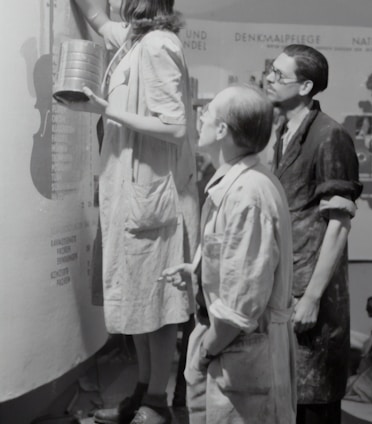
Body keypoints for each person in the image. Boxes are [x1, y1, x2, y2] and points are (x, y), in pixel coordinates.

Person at [67, 1, 200, 423]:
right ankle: (143, 391)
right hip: (132, 193)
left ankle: (157, 401)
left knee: (157, 305)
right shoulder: (136, 39)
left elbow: (174, 125)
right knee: (140, 301)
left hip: (154, 197)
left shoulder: (158, 44)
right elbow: (98, 18)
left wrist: (103, 109)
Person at [162, 84, 296, 424]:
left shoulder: (247, 194)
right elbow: (238, 264)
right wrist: (199, 271)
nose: (199, 119)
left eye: (205, 113)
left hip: (238, 356)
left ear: (222, 130)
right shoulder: (238, 184)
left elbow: (240, 307)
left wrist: (205, 351)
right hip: (231, 351)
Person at [265, 44, 363, 424]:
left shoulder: (330, 136)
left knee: (315, 402)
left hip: (312, 291)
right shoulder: (285, 131)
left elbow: (339, 225)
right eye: (270, 71)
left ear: (305, 87)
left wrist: (312, 297)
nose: (269, 79)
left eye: (279, 74)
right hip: (289, 281)